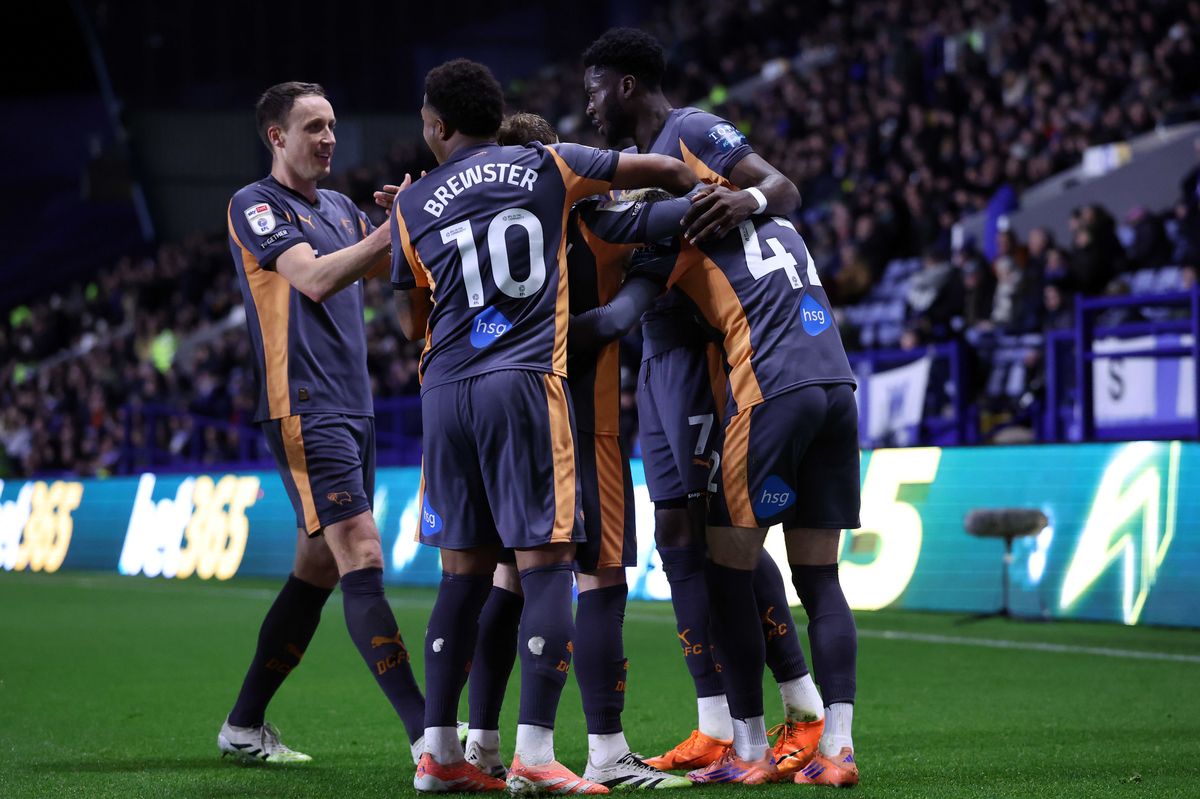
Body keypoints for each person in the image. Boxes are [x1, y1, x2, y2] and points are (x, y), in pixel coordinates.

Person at [388, 59, 697, 794]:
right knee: (549, 564)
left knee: (463, 576)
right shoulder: (549, 163)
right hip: (523, 385)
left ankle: (439, 752)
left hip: (444, 391)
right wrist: (695, 186)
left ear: (436, 125)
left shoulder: (413, 201)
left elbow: (410, 321)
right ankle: (535, 749)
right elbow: (658, 170)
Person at [581, 28, 861, 787]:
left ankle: (773, 727)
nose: (590, 104)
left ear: (629, 85)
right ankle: (781, 736)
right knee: (690, 541)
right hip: (774, 368)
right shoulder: (650, 185)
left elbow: (783, 188)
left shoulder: (693, 143)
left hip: (734, 368)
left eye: (597, 87)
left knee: (724, 553)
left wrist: (745, 194)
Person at [459, 111, 690, 791]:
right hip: (582, 425)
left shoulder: (477, 236)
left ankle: (480, 742)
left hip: (493, 421)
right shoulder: (592, 222)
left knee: (507, 583)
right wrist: (656, 269)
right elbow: (614, 316)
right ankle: (606, 749)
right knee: (602, 581)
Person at [220, 81, 428, 765]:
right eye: (313, 126)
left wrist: (403, 235)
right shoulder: (255, 204)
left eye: (333, 124)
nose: (329, 137)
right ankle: (429, 736)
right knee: (362, 555)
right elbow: (312, 279)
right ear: (276, 136)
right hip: (304, 405)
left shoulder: (339, 206)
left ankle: (244, 725)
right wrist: (390, 233)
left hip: (356, 406)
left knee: (318, 569)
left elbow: (371, 266)